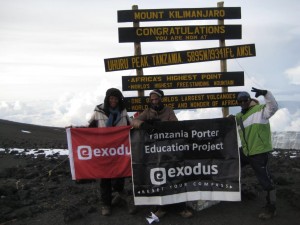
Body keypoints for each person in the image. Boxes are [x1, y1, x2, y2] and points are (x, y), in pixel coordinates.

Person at [132, 89, 193, 219]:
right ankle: (161, 208)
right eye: (152, 99)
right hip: (155, 153)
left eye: (157, 99)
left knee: (176, 177)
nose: (154, 101)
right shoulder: (147, 112)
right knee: (159, 180)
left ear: (161, 99)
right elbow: (134, 121)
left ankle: (181, 207)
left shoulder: (169, 111)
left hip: (171, 151)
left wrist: (162, 125)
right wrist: (143, 125)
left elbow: (176, 124)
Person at [235, 87, 278, 220]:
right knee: (231, 166)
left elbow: (274, 107)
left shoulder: (261, 111)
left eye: (245, 100)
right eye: (240, 101)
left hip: (259, 151)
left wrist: (266, 94)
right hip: (246, 151)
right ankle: (237, 193)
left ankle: (271, 207)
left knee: (265, 179)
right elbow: (225, 125)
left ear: (250, 100)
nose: (243, 103)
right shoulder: (239, 117)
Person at [88, 88, 131, 216]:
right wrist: (74, 130)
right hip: (104, 151)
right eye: (111, 98)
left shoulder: (123, 111)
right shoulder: (98, 111)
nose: (113, 101)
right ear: (107, 99)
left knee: (120, 175)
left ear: (119, 100)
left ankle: (119, 196)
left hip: (119, 150)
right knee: (105, 177)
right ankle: (106, 204)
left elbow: (129, 125)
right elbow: (89, 127)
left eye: (116, 98)